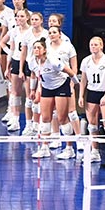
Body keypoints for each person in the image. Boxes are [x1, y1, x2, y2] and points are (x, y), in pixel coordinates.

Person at [30, 29, 78, 159]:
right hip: (47, 87)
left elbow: (68, 70)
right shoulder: (32, 62)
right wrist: (33, 90)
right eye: (34, 48)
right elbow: (35, 75)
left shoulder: (52, 60)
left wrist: (74, 83)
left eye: (38, 47)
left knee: (62, 118)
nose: (36, 50)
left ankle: (69, 149)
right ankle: (44, 148)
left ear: (44, 50)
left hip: (61, 85)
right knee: (45, 118)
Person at [78, 36, 105, 165]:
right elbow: (83, 80)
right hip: (92, 93)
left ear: (101, 46)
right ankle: (94, 151)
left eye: (95, 45)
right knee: (92, 124)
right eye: (91, 45)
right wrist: (81, 96)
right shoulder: (86, 61)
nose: (93, 47)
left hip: (104, 92)